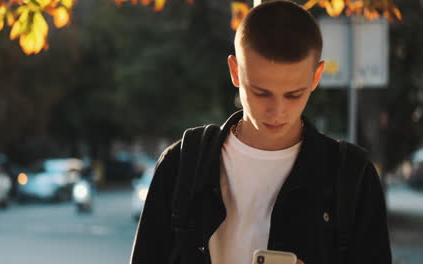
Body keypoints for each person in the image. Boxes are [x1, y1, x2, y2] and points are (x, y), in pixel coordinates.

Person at [130, 1, 391, 264]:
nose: (276, 111)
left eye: (293, 95)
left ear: (316, 76)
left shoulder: (351, 176)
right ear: (235, 71)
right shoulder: (181, 164)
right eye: (261, 92)